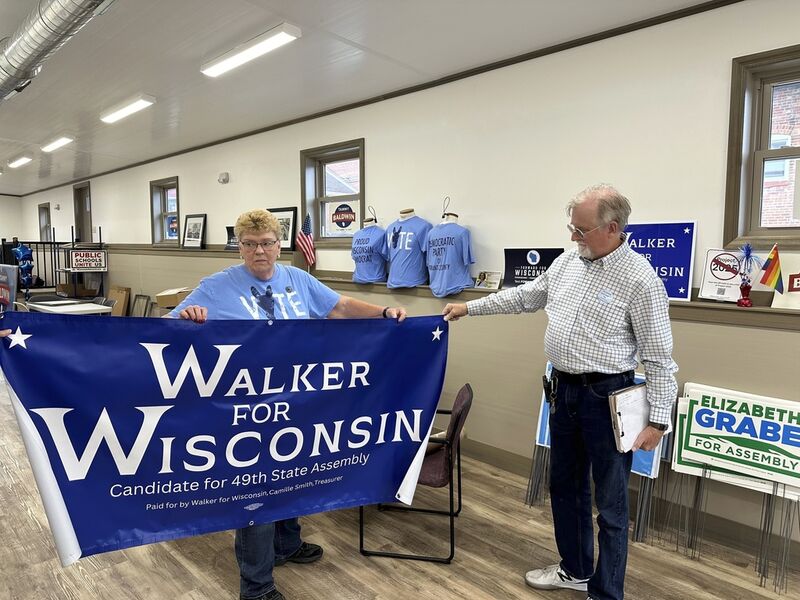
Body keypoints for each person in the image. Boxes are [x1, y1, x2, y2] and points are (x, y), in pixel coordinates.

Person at [442, 184, 677, 600]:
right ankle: (575, 569)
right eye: (572, 228)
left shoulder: (641, 279)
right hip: (564, 391)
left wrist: (659, 420)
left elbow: (659, 358)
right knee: (565, 489)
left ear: (613, 228)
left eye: (581, 230)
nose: (573, 237)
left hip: (608, 397)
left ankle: (606, 592)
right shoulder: (570, 260)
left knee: (611, 506)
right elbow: (527, 296)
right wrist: (470, 307)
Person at [168, 209, 407, 600]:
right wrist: (187, 318)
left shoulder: (298, 278)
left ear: (279, 244)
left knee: (292, 478)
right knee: (256, 496)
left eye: (266, 243)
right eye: (249, 244)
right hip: (246, 409)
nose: (258, 251)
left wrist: (383, 312)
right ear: (239, 246)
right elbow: (169, 326)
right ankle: (257, 587)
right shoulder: (216, 286)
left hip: (295, 403)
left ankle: (287, 545)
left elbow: (340, 307)